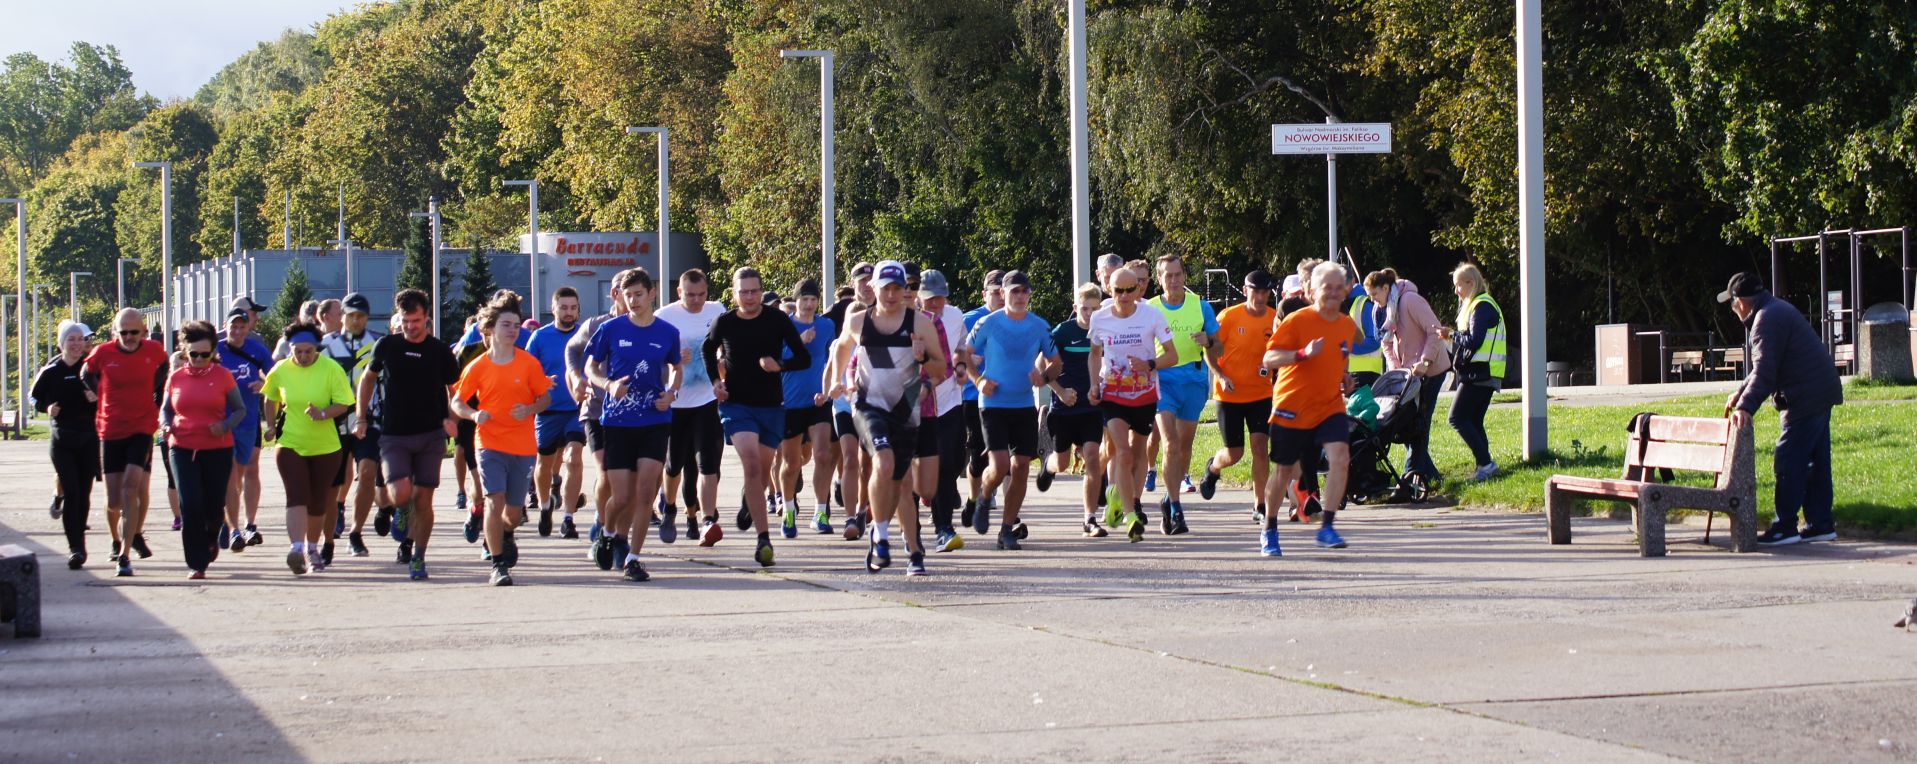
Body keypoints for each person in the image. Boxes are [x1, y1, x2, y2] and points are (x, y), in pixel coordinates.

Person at [828, 260, 947, 575]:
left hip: (907, 406)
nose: (892, 295)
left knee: (902, 482)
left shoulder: (919, 323)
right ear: (873, 288)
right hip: (868, 405)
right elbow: (840, 349)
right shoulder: (857, 322)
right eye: (886, 288)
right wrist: (836, 381)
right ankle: (880, 536)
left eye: (899, 288)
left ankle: (913, 548)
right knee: (883, 462)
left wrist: (922, 361)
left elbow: (940, 367)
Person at [1718, 272, 1845, 545]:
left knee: (1788, 457)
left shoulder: (1765, 321)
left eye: (1731, 304)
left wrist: (1746, 408)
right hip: (1820, 391)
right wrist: (1740, 393)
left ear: (1740, 302)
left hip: (1805, 395)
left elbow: (1765, 373)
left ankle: (1785, 526)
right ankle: (1820, 523)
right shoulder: (1774, 310)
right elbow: (1765, 369)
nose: (1732, 309)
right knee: (1814, 461)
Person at [705, 267, 811, 568]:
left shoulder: (776, 320)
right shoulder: (724, 322)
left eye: (754, 291)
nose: (749, 297)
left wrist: (779, 364)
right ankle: (764, 539)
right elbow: (706, 348)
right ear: (734, 292)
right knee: (751, 464)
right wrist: (716, 382)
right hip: (737, 406)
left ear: (761, 292)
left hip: (771, 406)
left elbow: (802, 358)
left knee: (762, 475)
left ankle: (748, 501)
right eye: (743, 291)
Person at [583, 268, 682, 581]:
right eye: (628, 296)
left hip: (655, 418)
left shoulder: (667, 332)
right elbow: (590, 366)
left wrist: (672, 392)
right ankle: (608, 531)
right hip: (618, 420)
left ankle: (634, 559)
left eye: (639, 294)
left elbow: (676, 367)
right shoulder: (611, 329)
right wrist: (607, 384)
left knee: (645, 493)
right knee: (621, 496)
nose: (634, 300)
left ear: (651, 294)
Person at [358, 288, 462, 580]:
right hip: (394, 434)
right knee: (400, 492)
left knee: (424, 501)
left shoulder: (440, 351)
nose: (410, 326)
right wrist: (361, 417)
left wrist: (452, 419)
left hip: (431, 434)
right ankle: (400, 509)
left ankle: (418, 556)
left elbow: (456, 391)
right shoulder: (386, 346)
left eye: (416, 320)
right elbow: (367, 380)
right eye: (405, 320)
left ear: (427, 318)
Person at [1260, 262, 1362, 556]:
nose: (1331, 293)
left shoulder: (1345, 325)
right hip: (1292, 406)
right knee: (1283, 473)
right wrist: (1302, 354)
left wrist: (1344, 377)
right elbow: (1269, 359)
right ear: (1312, 290)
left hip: (1328, 406)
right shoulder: (1298, 320)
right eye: (1325, 287)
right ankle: (1269, 527)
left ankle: (1327, 526)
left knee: (1340, 458)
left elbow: (1339, 356)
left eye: (1337, 287)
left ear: (1345, 291)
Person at [451, 296, 553, 586]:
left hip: (522, 446)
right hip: (489, 442)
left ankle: (505, 533)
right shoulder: (478, 366)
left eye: (517, 325)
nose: (513, 330)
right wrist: (473, 415)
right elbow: (457, 402)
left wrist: (530, 408)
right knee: (493, 502)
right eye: (506, 325)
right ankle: (498, 565)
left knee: (513, 512)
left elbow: (545, 397)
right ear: (490, 329)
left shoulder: (529, 363)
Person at [963, 270, 1059, 550]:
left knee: (1020, 468)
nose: (1019, 296)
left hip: (1023, 404)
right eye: (1013, 291)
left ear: (1029, 295)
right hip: (993, 404)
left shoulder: (1039, 326)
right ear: (1003, 294)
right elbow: (965, 355)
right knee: (1001, 464)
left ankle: (1006, 529)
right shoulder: (987, 323)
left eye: (1024, 291)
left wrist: (1045, 378)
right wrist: (979, 381)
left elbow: (1056, 361)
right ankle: (983, 497)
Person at [1087, 267, 1178, 543]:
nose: (1125, 296)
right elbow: (1094, 355)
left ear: (1139, 290)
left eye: (1130, 290)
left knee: (1139, 455)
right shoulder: (1100, 318)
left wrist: (1150, 364)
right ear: (1109, 291)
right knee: (1123, 454)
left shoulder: (1151, 315)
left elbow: (1172, 356)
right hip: (1113, 393)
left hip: (1145, 394)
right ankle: (1130, 517)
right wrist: (1094, 383)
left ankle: (1127, 497)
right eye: (1118, 291)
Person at [262, 322, 357, 575]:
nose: (303, 357)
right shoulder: (281, 369)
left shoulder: (331, 369)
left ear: (317, 348)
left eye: (308, 351)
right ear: (290, 348)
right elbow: (270, 397)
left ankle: (312, 548)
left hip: (326, 447)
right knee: (296, 495)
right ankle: (296, 548)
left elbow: (345, 403)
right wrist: (270, 426)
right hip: (291, 442)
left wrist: (323, 413)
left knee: (318, 501)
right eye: (298, 351)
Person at [86, 308, 169, 577]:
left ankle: (125, 555)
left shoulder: (153, 351)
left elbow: (165, 367)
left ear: (143, 331)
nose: (129, 337)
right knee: (113, 500)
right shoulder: (103, 353)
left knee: (131, 488)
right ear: (115, 333)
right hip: (110, 429)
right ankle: (117, 538)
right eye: (124, 333)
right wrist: (98, 391)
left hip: (142, 427)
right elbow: (85, 372)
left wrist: (156, 392)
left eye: (134, 332)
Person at [160, 321, 246, 580]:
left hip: (217, 448)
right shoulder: (175, 377)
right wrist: (164, 425)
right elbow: (165, 409)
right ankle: (196, 563)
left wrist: (225, 425)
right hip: (182, 446)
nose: (198, 359)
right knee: (190, 504)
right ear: (186, 353)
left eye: (204, 355)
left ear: (213, 353)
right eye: (193, 354)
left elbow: (240, 410)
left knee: (213, 507)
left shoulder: (222, 376)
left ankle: (211, 537)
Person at [1144, 255, 1218, 534]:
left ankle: (1169, 496)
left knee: (1185, 445)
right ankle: (1175, 507)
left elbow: (1218, 346)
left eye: (1178, 275)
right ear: (1160, 279)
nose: (1173, 281)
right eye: (1168, 276)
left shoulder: (1200, 306)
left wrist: (1208, 341)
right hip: (1162, 380)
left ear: (1184, 276)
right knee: (1171, 443)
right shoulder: (1149, 308)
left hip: (1194, 380)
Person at [1200, 269, 1278, 522]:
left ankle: (1260, 505)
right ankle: (1213, 468)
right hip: (1229, 395)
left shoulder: (1274, 318)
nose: (1260, 296)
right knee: (1234, 454)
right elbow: (1209, 351)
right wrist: (1221, 375)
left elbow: (1279, 351)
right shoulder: (1229, 317)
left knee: (1259, 447)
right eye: (1255, 291)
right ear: (1245, 291)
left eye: (1265, 292)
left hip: (1261, 394)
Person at [657, 269, 727, 546]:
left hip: (707, 399)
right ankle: (671, 508)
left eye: (701, 295)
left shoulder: (717, 311)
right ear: (679, 293)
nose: (697, 300)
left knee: (706, 462)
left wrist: (722, 359)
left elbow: (725, 346)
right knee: (674, 465)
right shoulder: (665, 316)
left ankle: (708, 519)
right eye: (690, 295)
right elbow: (653, 361)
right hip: (676, 401)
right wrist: (672, 359)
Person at [1364, 268, 1451, 484]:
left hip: (1430, 370)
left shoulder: (1410, 301)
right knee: (1406, 423)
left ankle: (1412, 473)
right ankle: (1429, 476)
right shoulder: (1381, 310)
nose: (1372, 300)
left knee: (1420, 422)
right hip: (1408, 376)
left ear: (1386, 288)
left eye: (1374, 294)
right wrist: (1397, 370)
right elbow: (1386, 343)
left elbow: (1435, 331)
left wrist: (1425, 362)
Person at [322, 292, 388, 558]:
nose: (356, 321)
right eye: (351, 316)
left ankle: (356, 533)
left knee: (368, 471)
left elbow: (385, 382)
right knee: (331, 483)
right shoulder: (325, 346)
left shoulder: (378, 344)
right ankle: (327, 540)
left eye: (361, 316)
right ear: (343, 317)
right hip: (334, 422)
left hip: (369, 419)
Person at [566, 278, 630, 552]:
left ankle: (618, 536)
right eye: (627, 292)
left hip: (632, 412)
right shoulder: (595, 325)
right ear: (615, 294)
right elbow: (572, 348)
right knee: (605, 472)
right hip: (596, 409)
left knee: (628, 480)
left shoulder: (649, 326)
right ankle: (604, 523)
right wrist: (576, 377)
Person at [35, 321, 101, 570]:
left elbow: (107, 396)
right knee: (71, 491)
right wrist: (47, 408)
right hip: (62, 439)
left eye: (79, 339)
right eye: (70, 339)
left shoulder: (91, 370)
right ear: (62, 344)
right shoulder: (51, 371)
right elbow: (35, 397)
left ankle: (79, 544)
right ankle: (75, 548)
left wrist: (96, 397)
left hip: (88, 438)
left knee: (83, 494)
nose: (76, 344)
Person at [1048, 283, 1109, 537]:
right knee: (1062, 463)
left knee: (1093, 457)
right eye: (1084, 309)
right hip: (1064, 408)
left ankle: (1090, 518)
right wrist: (1061, 391)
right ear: (1075, 308)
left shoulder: (1106, 330)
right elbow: (1042, 368)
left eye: (1095, 309)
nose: (1090, 314)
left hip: (1091, 407)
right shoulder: (1063, 331)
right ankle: (1047, 467)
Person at [778, 279, 837, 539]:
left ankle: (820, 512)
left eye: (813, 299)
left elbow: (832, 359)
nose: (809, 304)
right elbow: (774, 362)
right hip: (790, 402)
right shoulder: (784, 326)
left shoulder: (826, 325)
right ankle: (789, 510)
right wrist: (798, 341)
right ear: (796, 301)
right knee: (792, 463)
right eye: (804, 300)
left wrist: (829, 388)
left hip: (819, 401)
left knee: (823, 454)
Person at [527, 286, 587, 538]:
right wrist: (541, 383)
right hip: (548, 411)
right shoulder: (539, 338)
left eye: (573, 308)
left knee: (573, 458)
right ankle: (544, 506)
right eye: (564, 307)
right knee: (545, 463)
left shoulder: (586, 336)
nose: (569, 312)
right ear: (553, 309)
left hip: (576, 409)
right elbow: (526, 372)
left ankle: (569, 518)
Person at [918, 270, 969, 552]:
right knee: (924, 468)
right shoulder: (910, 318)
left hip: (949, 399)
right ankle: (914, 529)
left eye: (940, 297)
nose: (935, 303)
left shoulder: (954, 315)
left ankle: (944, 528)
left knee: (950, 463)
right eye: (930, 298)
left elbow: (961, 346)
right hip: (919, 403)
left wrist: (960, 367)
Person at [216, 308, 275, 552]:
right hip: (224, 420)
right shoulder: (216, 349)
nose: (237, 331)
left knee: (251, 470)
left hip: (250, 420)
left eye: (242, 326)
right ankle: (233, 529)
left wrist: (263, 384)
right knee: (231, 475)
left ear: (248, 327)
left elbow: (276, 377)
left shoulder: (257, 350)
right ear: (225, 326)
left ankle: (250, 524)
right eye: (233, 326)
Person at [1444, 263, 1506, 482]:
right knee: (1474, 420)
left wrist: (1452, 336)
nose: (1456, 291)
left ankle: (1487, 464)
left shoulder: (1481, 306)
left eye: (1458, 285)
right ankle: (1484, 466)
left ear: (1471, 283)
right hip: (1485, 372)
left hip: (1480, 372)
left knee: (1457, 417)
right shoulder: (1483, 304)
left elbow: (1474, 340)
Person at [958, 269, 1005, 527]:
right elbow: (955, 354)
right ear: (984, 294)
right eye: (994, 292)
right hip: (973, 397)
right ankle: (974, 497)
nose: (999, 297)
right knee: (978, 458)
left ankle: (1011, 513)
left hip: (1008, 398)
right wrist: (967, 361)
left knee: (1008, 457)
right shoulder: (969, 320)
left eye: (1003, 292)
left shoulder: (1016, 319)